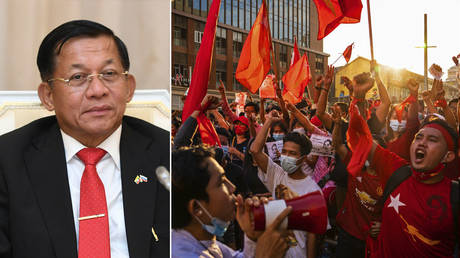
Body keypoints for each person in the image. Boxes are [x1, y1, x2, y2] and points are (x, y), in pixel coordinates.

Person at [0, 20, 169, 258]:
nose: (97, 90)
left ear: (129, 87)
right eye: (78, 77)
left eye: (109, 74)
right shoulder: (8, 161)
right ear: (48, 96)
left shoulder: (165, 153)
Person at [172, 146, 292, 258]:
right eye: (221, 182)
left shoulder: (207, 242)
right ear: (196, 208)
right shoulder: (182, 254)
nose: (232, 187)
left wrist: (252, 237)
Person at [367, 116, 459, 257]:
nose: (422, 143)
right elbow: (361, 140)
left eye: (432, 140)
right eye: (418, 137)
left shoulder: (455, 196)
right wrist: (357, 101)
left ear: (448, 156)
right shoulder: (397, 170)